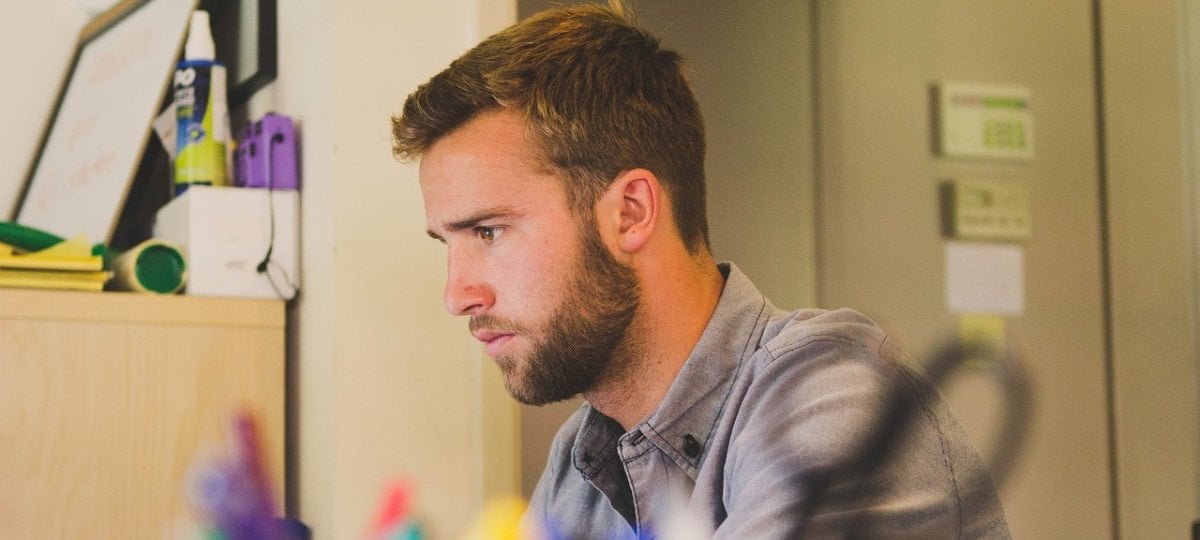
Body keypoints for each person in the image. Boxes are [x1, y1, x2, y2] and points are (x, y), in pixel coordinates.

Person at [392, 3, 1010, 538]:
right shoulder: (580, 464)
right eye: (446, 242)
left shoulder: (839, 396)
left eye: (488, 232)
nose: (457, 294)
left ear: (630, 212)